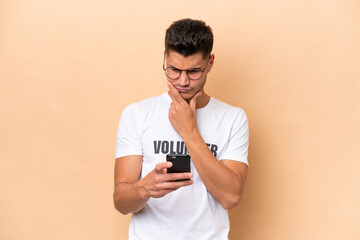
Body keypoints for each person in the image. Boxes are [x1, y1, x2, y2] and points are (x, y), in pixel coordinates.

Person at [113, 18, 249, 240]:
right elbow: (121, 201)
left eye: (194, 71)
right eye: (174, 70)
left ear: (210, 62)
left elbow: (231, 197)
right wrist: (143, 189)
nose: (183, 81)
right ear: (165, 58)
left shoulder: (233, 118)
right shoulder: (136, 114)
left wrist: (188, 131)